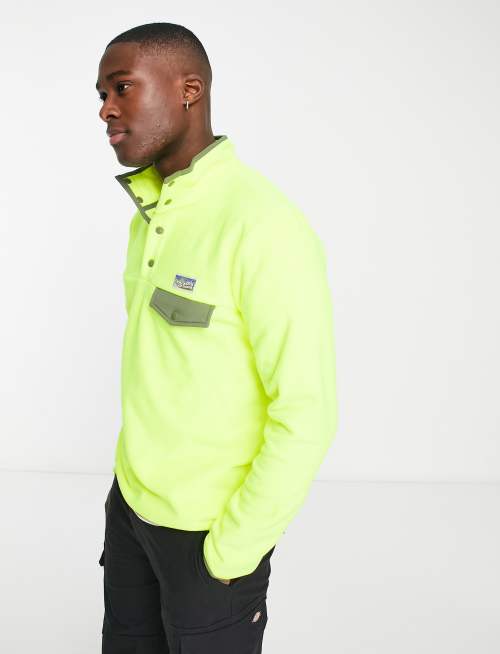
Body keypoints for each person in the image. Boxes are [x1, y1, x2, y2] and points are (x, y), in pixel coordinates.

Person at [96, 21, 338, 654]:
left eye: (122, 87)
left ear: (189, 90)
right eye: (101, 94)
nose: (105, 109)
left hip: (209, 541)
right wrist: (125, 498)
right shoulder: (151, 212)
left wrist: (233, 550)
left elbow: (307, 414)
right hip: (131, 511)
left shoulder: (265, 228)